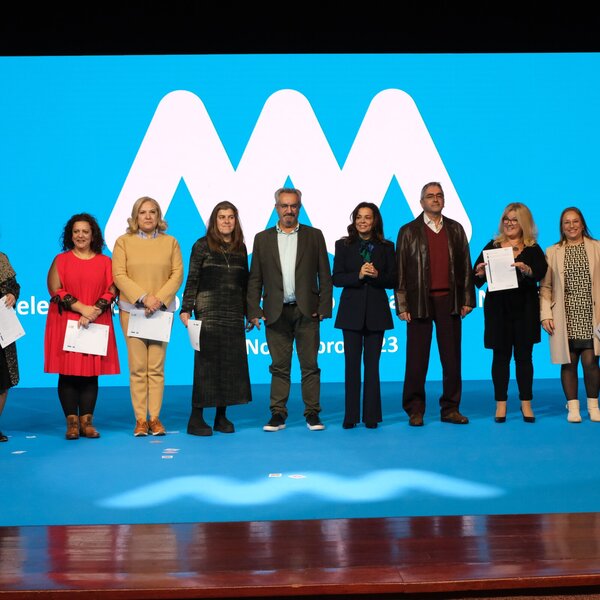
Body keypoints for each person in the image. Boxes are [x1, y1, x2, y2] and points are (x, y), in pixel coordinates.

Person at [247, 187, 333, 432]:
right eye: (284, 206)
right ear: (276, 208)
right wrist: (254, 310)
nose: (289, 210)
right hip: (275, 312)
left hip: (307, 312)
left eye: (293, 206)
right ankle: (278, 414)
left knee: (310, 366)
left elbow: (324, 275)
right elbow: (255, 279)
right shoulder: (262, 239)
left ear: (299, 208)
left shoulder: (314, 236)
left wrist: (324, 307)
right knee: (279, 367)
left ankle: (312, 413)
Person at [395, 181, 475, 426]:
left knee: (452, 359)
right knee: (416, 360)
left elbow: (466, 267)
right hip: (419, 301)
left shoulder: (456, 229)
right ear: (422, 202)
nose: (435, 199)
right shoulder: (408, 231)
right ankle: (415, 409)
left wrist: (467, 298)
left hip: (449, 301)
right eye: (430, 196)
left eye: (439, 195)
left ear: (444, 200)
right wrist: (402, 304)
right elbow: (400, 271)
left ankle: (450, 408)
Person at [44, 213, 120, 439]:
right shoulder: (61, 260)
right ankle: (72, 424)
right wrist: (82, 308)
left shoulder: (106, 262)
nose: (80, 235)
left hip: (96, 321)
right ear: (70, 235)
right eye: (76, 231)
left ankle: (87, 423)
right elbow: (55, 289)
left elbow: (112, 290)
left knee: (90, 373)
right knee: (67, 373)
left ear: (93, 235)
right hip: (66, 321)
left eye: (85, 231)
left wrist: (93, 311)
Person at [112, 196, 183, 436]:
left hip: (161, 313)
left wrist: (158, 299)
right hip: (133, 312)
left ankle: (155, 418)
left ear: (159, 216)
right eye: (143, 212)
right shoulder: (123, 242)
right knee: (138, 368)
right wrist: (144, 298)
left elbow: (177, 274)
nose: (148, 216)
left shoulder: (171, 242)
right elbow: (119, 275)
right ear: (135, 216)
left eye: (153, 212)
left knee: (156, 367)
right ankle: (141, 420)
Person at [180, 201, 252, 436]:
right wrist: (186, 308)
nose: (226, 221)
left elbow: (245, 284)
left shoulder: (241, 248)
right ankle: (196, 418)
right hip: (208, 312)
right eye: (222, 217)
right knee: (206, 365)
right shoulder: (201, 245)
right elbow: (192, 278)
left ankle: (221, 417)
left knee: (230, 365)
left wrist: (250, 312)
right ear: (214, 221)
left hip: (233, 313)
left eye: (231, 217)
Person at [473, 202, 548, 423]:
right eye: (506, 219)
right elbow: (475, 277)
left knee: (524, 358)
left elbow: (541, 273)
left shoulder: (533, 249)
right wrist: (479, 273)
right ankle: (501, 404)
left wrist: (527, 270)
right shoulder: (493, 246)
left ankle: (526, 403)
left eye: (515, 219)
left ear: (524, 223)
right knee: (500, 358)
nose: (509, 223)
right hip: (498, 311)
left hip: (525, 310)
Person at [332, 202, 396, 429]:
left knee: (372, 366)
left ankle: (371, 416)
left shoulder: (387, 247)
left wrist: (377, 276)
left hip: (377, 313)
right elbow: (336, 278)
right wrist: (357, 275)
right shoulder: (343, 245)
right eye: (359, 217)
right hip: (351, 314)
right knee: (351, 366)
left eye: (367, 217)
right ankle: (350, 416)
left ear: (375, 220)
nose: (362, 221)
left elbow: (394, 279)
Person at [540, 207, 600, 423]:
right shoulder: (552, 251)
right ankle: (573, 407)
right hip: (564, 315)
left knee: (591, 362)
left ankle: (593, 406)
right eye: (567, 222)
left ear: (582, 224)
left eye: (575, 221)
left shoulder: (597, 247)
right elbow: (545, 287)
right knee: (569, 362)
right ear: (561, 227)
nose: (571, 226)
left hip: (592, 314)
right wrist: (545, 314)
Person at [0, 252, 21, 442]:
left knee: (3, 379)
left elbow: (14, 285)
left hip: (2, 328)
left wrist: (12, 295)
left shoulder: (1, 258)